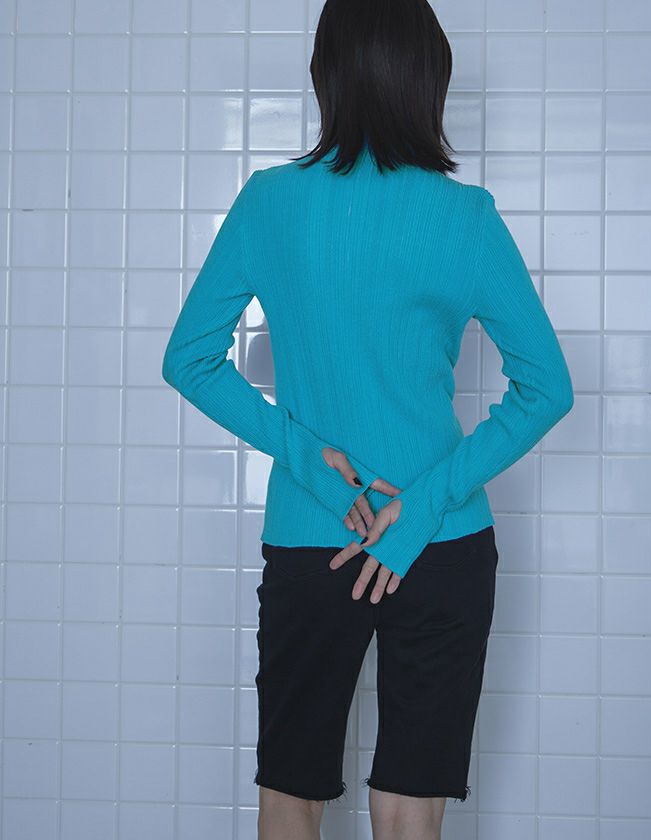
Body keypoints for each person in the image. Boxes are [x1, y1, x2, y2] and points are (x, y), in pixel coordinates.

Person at [161, 0, 574, 837]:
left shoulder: (270, 203)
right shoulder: (466, 217)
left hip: (315, 536)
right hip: (443, 540)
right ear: (429, 79)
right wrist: (423, 505)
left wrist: (307, 458)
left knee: (291, 796)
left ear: (327, 76)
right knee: (409, 811)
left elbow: (190, 358)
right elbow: (548, 388)